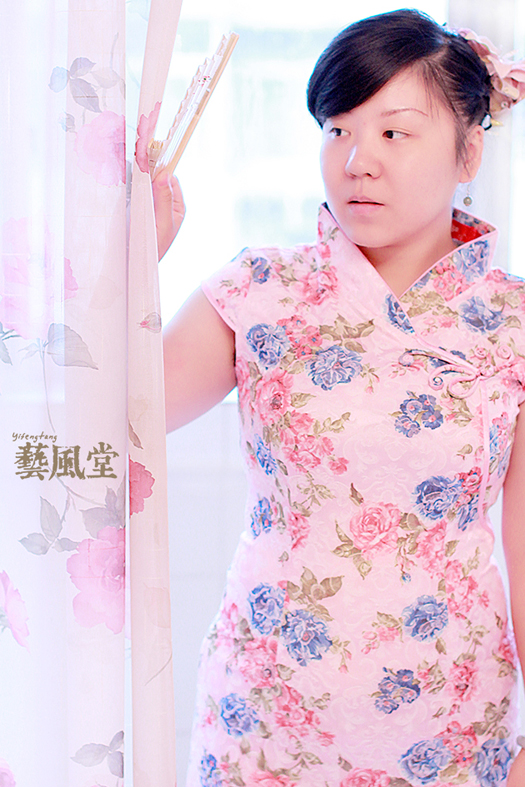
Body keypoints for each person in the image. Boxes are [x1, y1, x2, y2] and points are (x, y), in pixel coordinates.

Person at [155, 9, 525, 786]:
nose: (358, 161)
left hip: (452, 723)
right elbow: (121, 415)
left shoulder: (511, 321)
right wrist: (132, 258)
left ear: (468, 151)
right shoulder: (257, 289)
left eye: (394, 132)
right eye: (336, 130)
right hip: (264, 716)